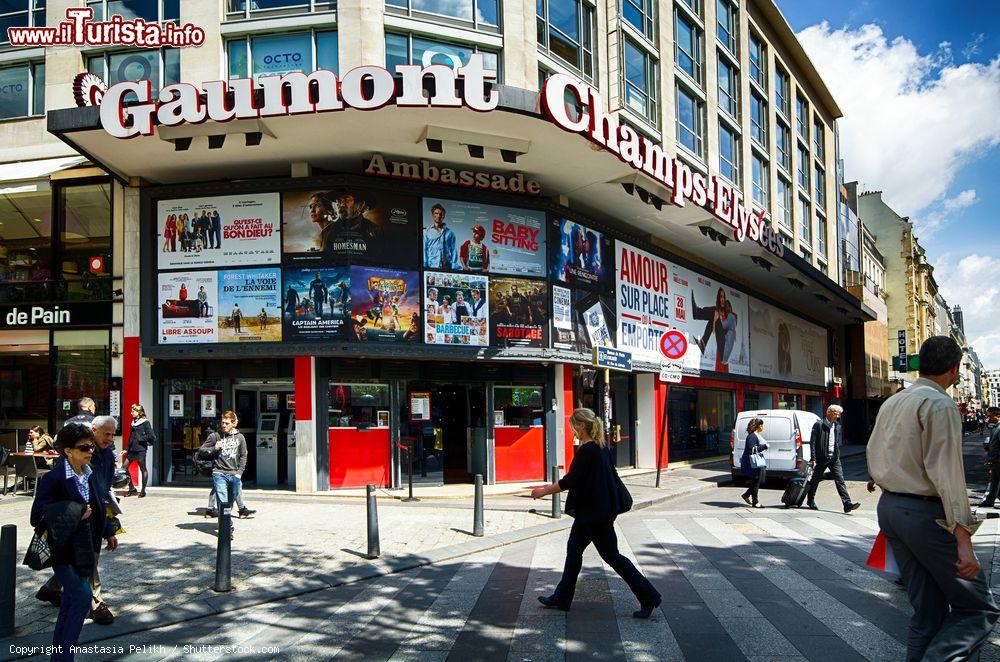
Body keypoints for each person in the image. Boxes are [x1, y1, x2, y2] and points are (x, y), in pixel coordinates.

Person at [868, 336, 999, 660]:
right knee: (978, 608)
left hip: (890, 509)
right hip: (923, 514)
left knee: (927, 615)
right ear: (954, 369)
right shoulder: (939, 404)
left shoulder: (894, 401)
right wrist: (964, 541)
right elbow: (948, 474)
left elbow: (874, 452)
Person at [530, 408, 661, 618]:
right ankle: (562, 597)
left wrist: (543, 491)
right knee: (575, 551)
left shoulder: (588, 450)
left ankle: (649, 596)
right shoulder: (601, 448)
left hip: (593, 515)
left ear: (582, 426)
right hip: (596, 512)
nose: (572, 430)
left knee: (611, 556)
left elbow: (570, 481)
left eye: (574, 425)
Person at [31, 423, 120, 659]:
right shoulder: (54, 478)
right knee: (81, 598)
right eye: (83, 448)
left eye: (91, 447)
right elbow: (36, 516)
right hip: (63, 551)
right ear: (68, 451)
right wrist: (76, 511)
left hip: (86, 548)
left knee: (71, 602)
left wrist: (109, 531)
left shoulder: (88, 472)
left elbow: (99, 505)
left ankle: (59, 656)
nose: (90, 452)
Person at [195, 411, 249, 536]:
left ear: (234, 423)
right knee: (222, 501)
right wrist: (214, 448)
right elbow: (201, 450)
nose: (223, 425)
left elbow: (243, 456)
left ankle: (223, 521)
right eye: (222, 423)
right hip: (219, 473)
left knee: (229, 502)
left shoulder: (240, 438)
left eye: (227, 423)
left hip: (234, 474)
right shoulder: (215, 436)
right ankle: (227, 529)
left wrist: (239, 473)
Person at [805, 405, 859, 513]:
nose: (837, 416)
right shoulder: (819, 425)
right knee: (815, 479)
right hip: (821, 458)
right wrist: (813, 458)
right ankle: (810, 500)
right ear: (828, 412)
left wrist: (837, 454)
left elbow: (836, 442)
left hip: (834, 458)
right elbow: (813, 442)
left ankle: (847, 503)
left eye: (839, 414)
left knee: (840, 480)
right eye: (835, 413)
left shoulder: (837, 425)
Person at [124, 404, 154, 498]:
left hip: (141, 449)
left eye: (133, 411)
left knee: (143, 468)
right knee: (124, 468)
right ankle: (131, 487)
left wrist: (140, 438)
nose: (131, 413)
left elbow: (152, 436)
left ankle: (143, 490)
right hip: (132, 449)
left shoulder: (145, 422)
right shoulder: (133, 422)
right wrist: (126, 449)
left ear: (139, 412)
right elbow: (130, 437)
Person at [739, 418, 768, 508]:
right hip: (751, 463)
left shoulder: (755, 435)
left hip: (755, 462)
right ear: (759, 426)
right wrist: (764, 446)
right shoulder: (752, 436)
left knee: (758, 481)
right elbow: (752, 449)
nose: (764, 427)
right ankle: (755, 502)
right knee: (756, 481)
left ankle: (746, 495)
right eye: (763, 425)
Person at [423, 203, 458, 270]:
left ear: (443, 216)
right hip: (432, 265)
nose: (438, 216)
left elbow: (453, 250)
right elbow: (424, 249)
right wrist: (425, 264)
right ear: (433, 214)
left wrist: (453, 265)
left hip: (447, 266)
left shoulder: (450, 233)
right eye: (436, 213)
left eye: (441, 214)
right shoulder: (426, 232)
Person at [980, 407, 1000, 508]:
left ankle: (990, 500)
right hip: (995, 460)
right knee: (994, 481)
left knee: (996, 481)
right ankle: (989, 501)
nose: (988, 418)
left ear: (998, 416)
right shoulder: (995, 427)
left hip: (998, 460)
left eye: (990, 416)